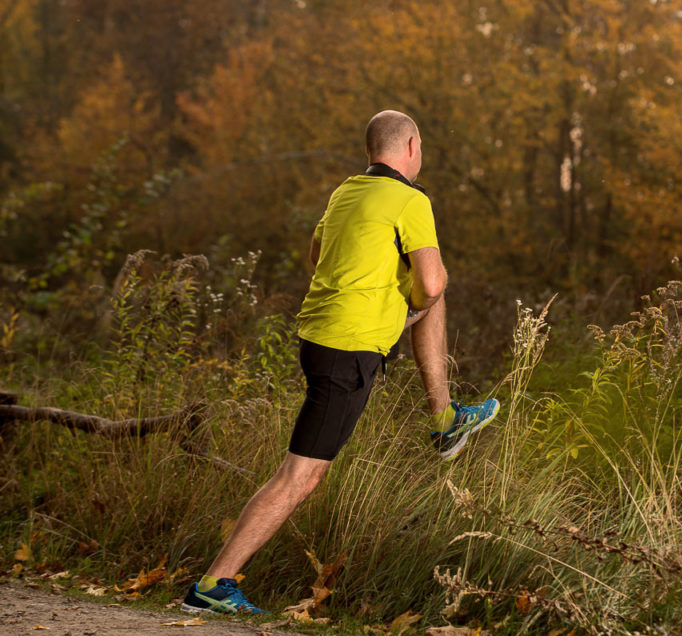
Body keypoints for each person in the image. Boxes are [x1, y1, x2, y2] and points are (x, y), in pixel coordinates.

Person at [181, 110, 499, 615]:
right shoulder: (411, 200)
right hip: (349, 348)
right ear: (412, 147)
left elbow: (316, 251)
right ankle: (213, 584)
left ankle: (445, 419)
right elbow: (432, 283)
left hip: (322, 338)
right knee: (299, 477)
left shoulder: (346, 192)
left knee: (435, 298)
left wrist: (392, 291)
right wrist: (411, 301)